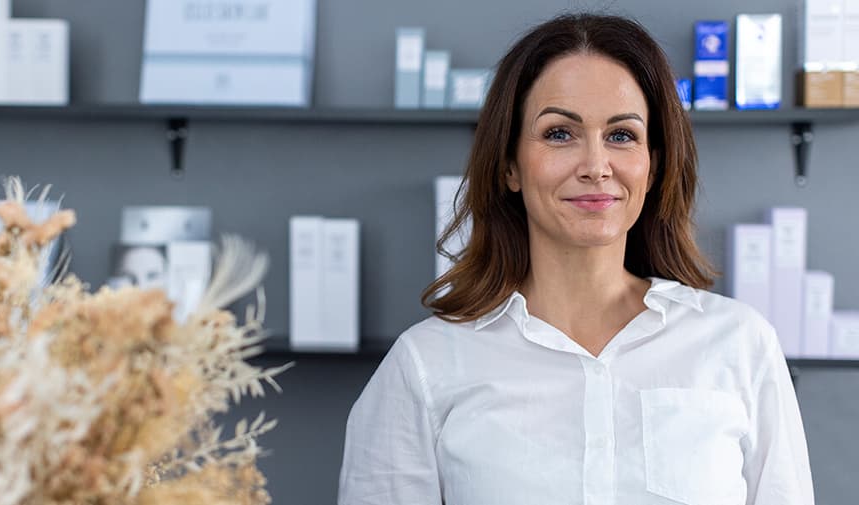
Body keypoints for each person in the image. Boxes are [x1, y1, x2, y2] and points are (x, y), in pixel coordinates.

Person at [338, 13, 814, 505]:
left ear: (653, 166)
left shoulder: (739, 343)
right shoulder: (425, 364)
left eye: (622, 135)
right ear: (509, 166)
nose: (595, 166)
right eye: (560, 134)